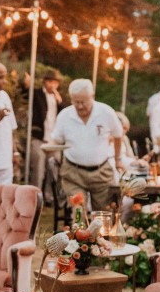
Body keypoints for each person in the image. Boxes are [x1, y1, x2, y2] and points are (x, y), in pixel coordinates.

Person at [50, 79, 124, 211]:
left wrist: (118, 159)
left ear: (92, 97)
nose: (79, 106)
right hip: (73, 173)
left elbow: (118, 134)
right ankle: (79, 224)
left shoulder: (106, 112)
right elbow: (56, 139)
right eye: (76, 102)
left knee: (103, 214)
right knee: (79, 213)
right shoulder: (65, 115)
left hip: (101, 172)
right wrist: (49, 147)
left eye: (83, 102)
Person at [27, 69, 65, 198]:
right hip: (39, 137)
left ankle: (49, 196)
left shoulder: (59, 98)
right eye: (50, 81)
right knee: (38, 170)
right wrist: (27, 84)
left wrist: (59, 101)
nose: (52, 85)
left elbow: (64, 113)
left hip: (53, 139)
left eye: (55, 82)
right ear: (45, 82)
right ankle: (35, 196)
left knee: (54, 169)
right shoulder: (37, 94)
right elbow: (27, 94)